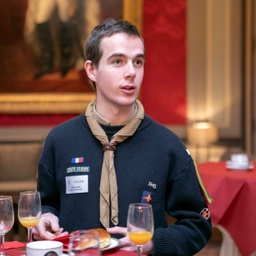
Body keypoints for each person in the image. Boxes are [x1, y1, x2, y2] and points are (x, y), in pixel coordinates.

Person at [33, 18, 213, 255]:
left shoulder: (167, 145)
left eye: (138, 62)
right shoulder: (60, 140)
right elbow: (49, 203)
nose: (131, 72)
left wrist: (154, 243)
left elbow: (198, 224)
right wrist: (45, 216)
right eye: (118, 61)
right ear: (91, 70)